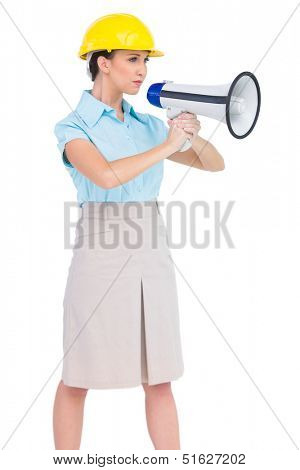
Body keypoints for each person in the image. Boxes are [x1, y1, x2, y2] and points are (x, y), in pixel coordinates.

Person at [52, 13, 225, 450]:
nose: (142, 71)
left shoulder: (149, 126)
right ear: (102, 63)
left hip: (151, 249)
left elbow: (213, 163)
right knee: (78, 375)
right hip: (101, 247)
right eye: (132, 59)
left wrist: (187, 133)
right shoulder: (73, 128)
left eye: (145, 60)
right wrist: (167, 146)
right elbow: (106, 176)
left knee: (160, 376)